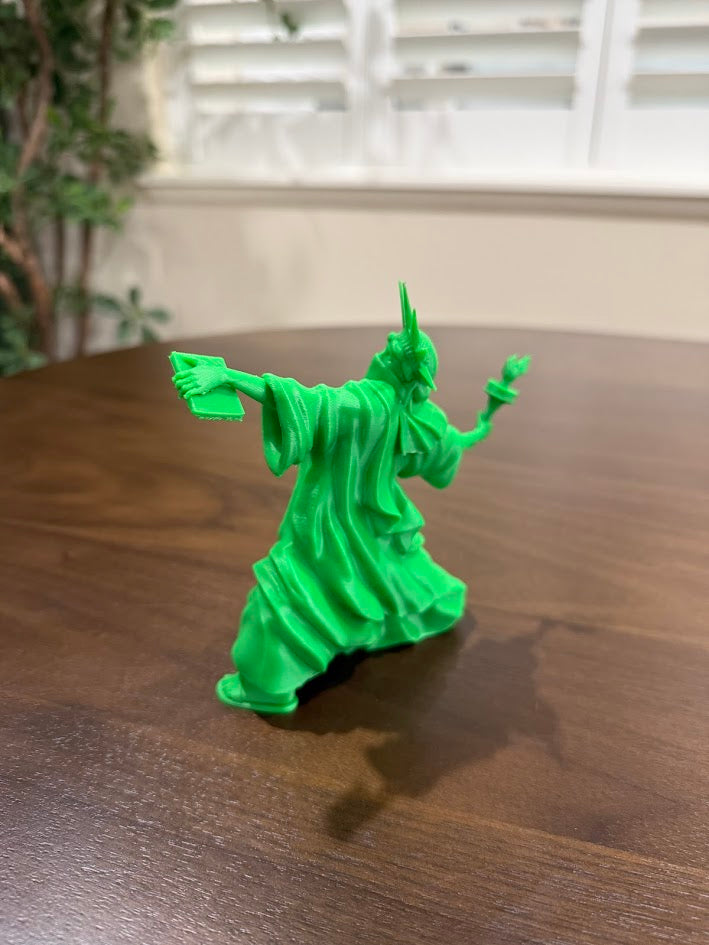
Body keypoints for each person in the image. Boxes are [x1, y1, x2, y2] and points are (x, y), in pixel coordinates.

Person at [173, 283, 521, 713]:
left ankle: (266, 687)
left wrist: (227, 377)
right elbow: (459, 440)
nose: (387, 342)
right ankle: (376, 628)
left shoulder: (365, 404)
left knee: (289, 598)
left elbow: (301, 400)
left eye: (393, 347)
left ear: (400, 367)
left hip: (332, 523)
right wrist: (490, 410)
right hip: (372, 524)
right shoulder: (415, 416)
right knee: (380, 580)